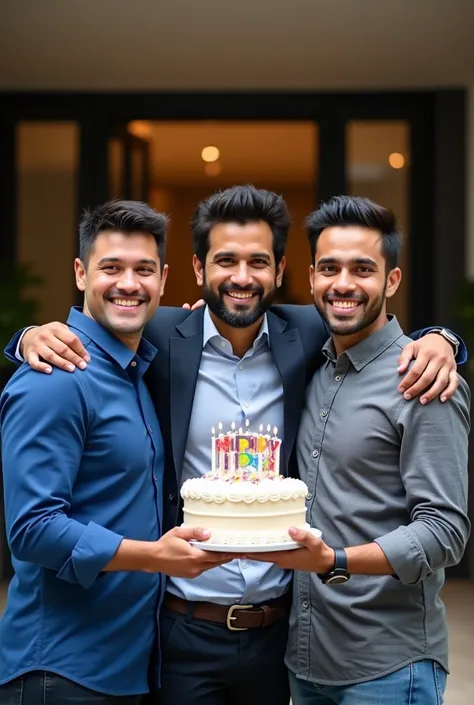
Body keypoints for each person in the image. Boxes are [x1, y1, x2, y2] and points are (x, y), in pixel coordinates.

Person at [5, 186, 465, 705]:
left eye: (258, 262)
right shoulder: (156, 335)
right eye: (226, 260)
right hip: (179, 632)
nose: (242, 277)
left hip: (277, 637)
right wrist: (27, 336)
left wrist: (441, 340)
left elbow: (370, 321)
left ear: (283, 269)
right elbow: (95, 328)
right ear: (198, 270)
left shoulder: (308, 332)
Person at [0, 201, 233, 705]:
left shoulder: (141, 367)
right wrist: (155, 558)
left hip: (127, 669)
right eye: (111, 268)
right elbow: (32, 528)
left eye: (143, 270)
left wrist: (439, 338)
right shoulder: (55, 378)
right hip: (59, 672)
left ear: (165, 279)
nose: (128, 283)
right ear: (81, 273)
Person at [250, 196, 471, 705]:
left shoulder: (424, 380)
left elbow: (445, 531)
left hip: (388, 667)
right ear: (310, 279)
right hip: (305, 663)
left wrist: (336, 560)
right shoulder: (308, 360)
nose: (343, 284)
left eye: (363, 269)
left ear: (391, 281)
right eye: (329, 268)